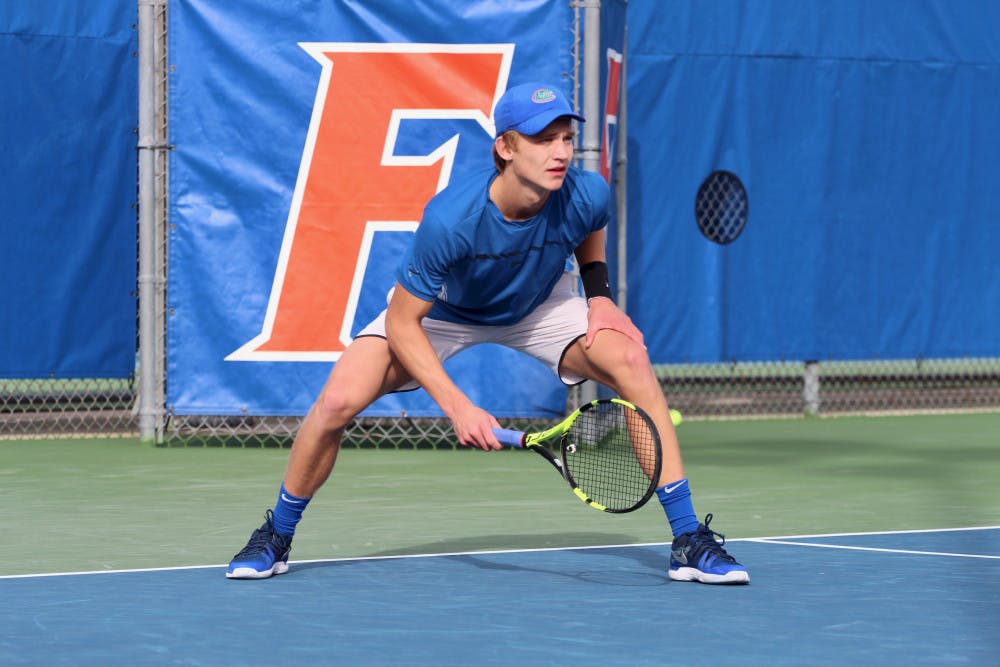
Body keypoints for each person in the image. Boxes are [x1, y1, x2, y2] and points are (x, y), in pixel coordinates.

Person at [227, 81, 749, 585]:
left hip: (538, 304)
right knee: (338, 401)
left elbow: (591, 229)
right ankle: (276, 534)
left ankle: (687, 539)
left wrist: (601, 297)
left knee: (631, 361)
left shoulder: (586, 192)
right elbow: (402, 322)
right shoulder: (453, 219)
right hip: (443, 314)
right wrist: (458, 407)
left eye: (567, 138)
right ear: (505, 147)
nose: (561, 151)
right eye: (543, 140)